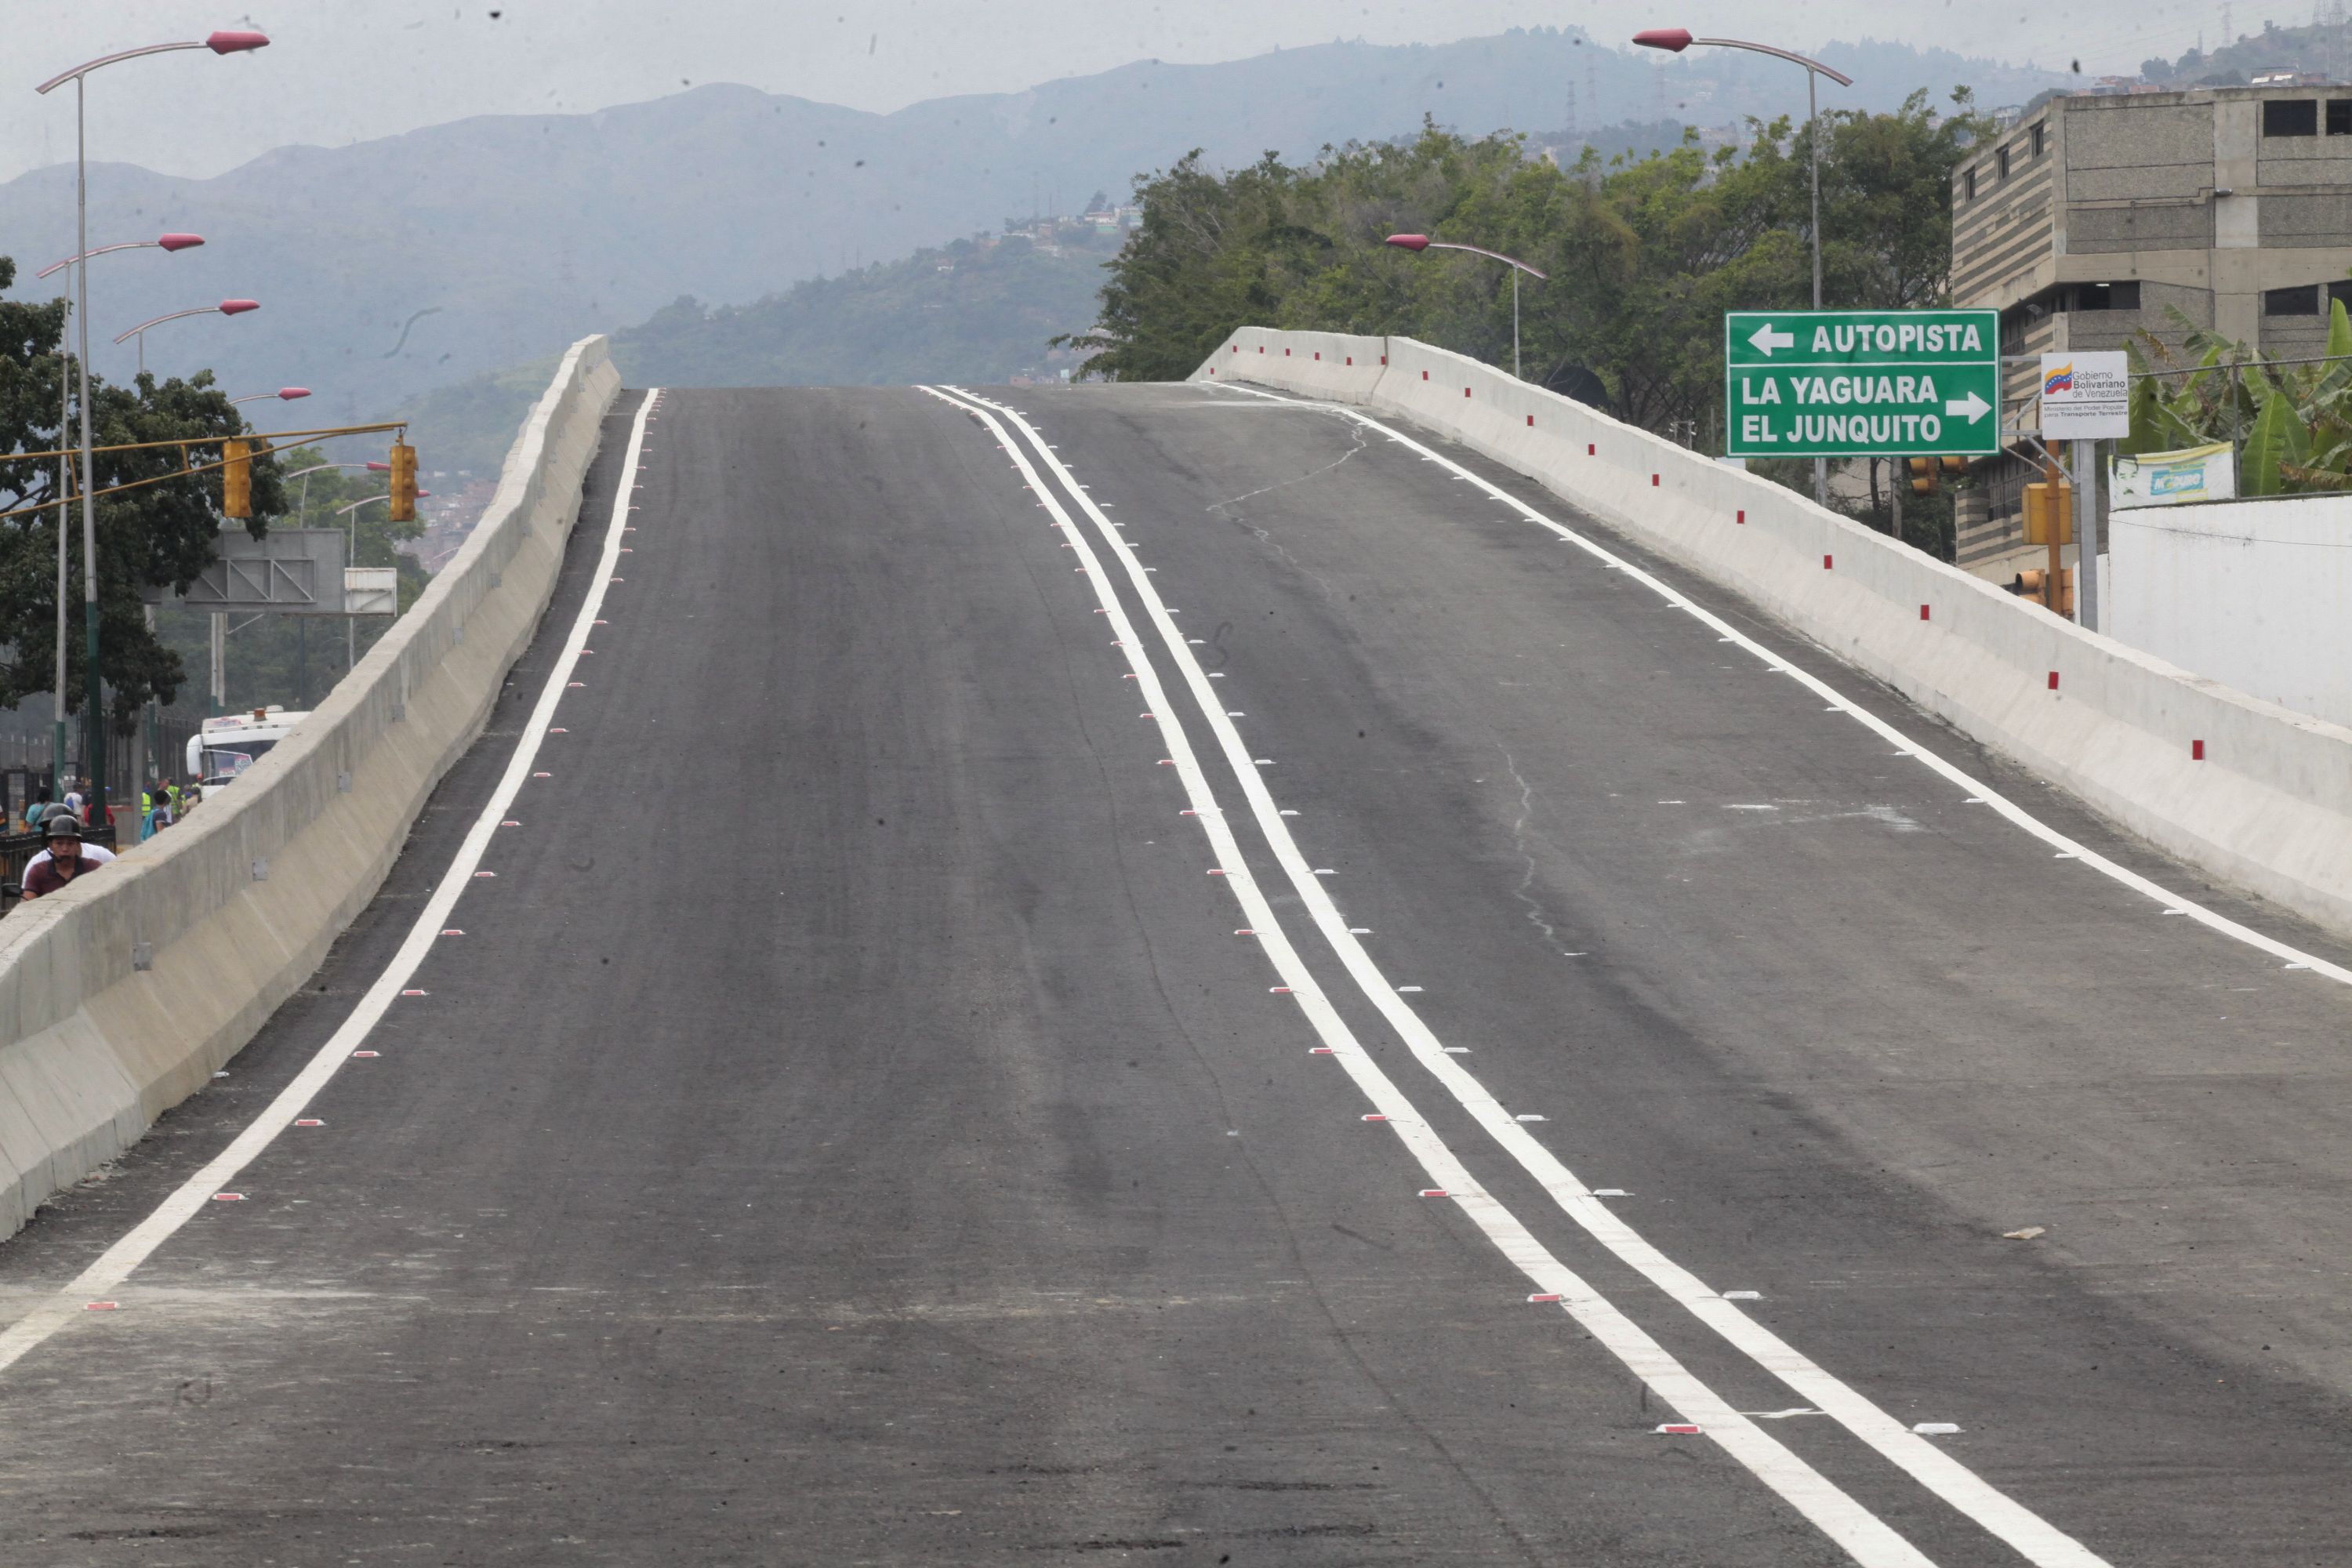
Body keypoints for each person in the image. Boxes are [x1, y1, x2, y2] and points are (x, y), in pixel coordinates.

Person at [21, 814, 103, 899]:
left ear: (78, 845)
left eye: (70, 843)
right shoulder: (38, 872)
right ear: (51, 845)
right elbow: (27, 904)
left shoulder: (94, 868)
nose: (65, 849)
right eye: (59, 843)